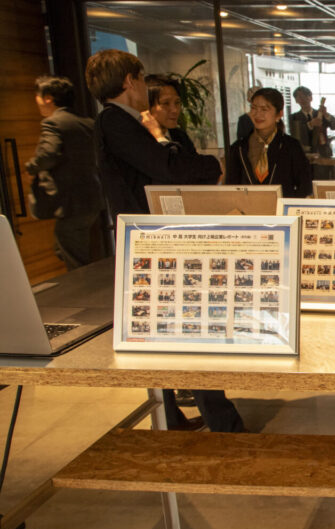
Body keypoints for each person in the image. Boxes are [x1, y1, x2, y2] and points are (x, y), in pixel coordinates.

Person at [86, 49, 246, 434]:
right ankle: (215, 424)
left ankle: (184, 420)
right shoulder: (116, 122)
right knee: (188, 331)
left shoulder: (124, 123)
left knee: (183, 331)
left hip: (156, 241)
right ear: (130, 81)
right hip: (150, 243)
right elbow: (172, 169)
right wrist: (210, 164)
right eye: (142, 80)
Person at [87, 49, 221, 221]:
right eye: (142, 78)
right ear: (130, 81)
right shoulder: (113, 120)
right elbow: (167, 168)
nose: (145, 87)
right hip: (140, 226)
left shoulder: (123, 119)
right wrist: (214, 164)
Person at [24, 76, 103, 270]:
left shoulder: (53, 123)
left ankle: (85, 288)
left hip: (70, 201)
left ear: (48, 98)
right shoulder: (88, 122)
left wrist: (31, 167)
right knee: (65, 247)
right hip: (92, 197)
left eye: (37, 96)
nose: (37, 101)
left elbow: (48, 154)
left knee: (74, 257)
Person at [225, 87, 312, 198]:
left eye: (264, 109)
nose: (257, 114)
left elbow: (305, 187)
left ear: (279, 114)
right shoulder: (239, 148)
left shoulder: (291, 146)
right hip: (248, 208)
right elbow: (231, 188)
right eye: (254, 108)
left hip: (281, 208)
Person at [289, 86, 335, 180]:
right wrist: (310, 124)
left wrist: (326, 114)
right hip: (303, 157)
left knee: (323, 182)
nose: (303, 99)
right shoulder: (294, 117)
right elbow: (296, 135)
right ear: (296, 100)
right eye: (299, 97)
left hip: (323, 156)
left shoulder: (320, 114)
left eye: (305, 96)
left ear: (311, 98)